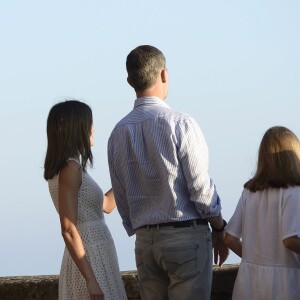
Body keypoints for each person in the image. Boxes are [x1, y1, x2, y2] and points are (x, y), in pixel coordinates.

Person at [107, 45, 229, 300]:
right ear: (164, 74)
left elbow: (121, 194)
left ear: (130, 81)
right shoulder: (181, 123)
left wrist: (138, 226)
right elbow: (200, 187)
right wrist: (218, 226)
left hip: (145, 240)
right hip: (185, 235)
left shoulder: (118, 133)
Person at [44, 100, 127, 300]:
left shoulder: (71, 168)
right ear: (76, 128)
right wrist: (91, 279)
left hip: (97, 254)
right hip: (89, 257)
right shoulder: (70, 169)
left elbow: (106, 206)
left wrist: (126, 176)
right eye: (88, 122)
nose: (93, 128)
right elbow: (68, 228)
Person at [224, 126, 300, 300]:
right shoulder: (294, 192)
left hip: (249, 282)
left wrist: (255, 259)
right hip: (286, 285)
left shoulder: (250, 192)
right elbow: (290, 240)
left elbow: (229, 238)